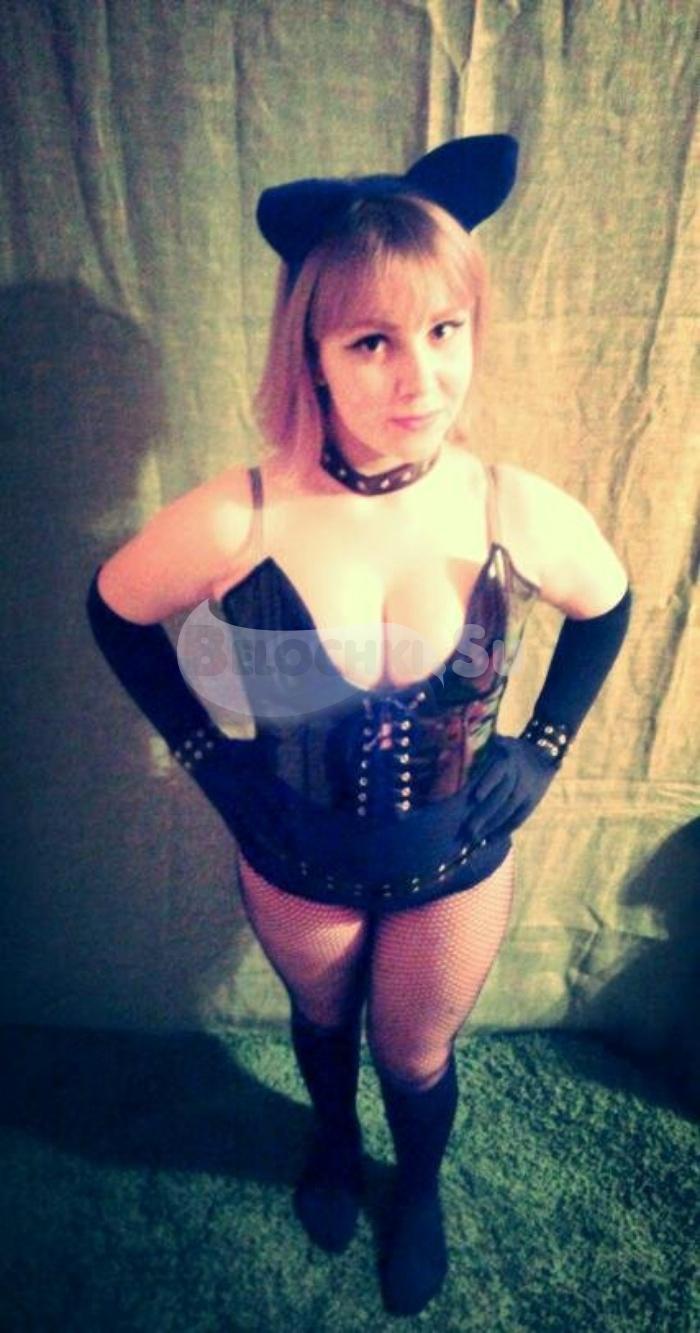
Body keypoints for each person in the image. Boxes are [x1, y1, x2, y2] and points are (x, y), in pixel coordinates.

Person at [86, 136, 632, 1317]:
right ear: (313, 354)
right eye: (371, 341)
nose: (419, 377)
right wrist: (206, 758)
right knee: (322, 1021)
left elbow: (607, 605)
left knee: (418, 1056)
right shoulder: (239, 513)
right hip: (294, 855)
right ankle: (331, 1144)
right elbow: (115, 610)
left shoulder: (510, 507)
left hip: (452, 860)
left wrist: (541, 749)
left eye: (444, 329)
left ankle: (415, 1190)